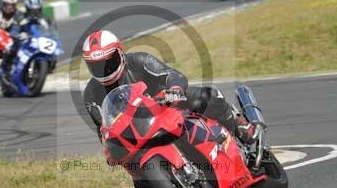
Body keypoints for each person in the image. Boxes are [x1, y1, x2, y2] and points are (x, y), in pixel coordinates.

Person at [82, 30, 255, 146]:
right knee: (142, 184)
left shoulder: (140, 60)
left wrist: (175, 89)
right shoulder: (91, 94)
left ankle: (237, 124)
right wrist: (110, 147)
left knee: (206, 96)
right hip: (139, 130)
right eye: (96, 66)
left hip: (169, 104)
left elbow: (172, 75)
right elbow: (102, 129)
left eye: (109, 62)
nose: (105, 69)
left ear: (120, 54)